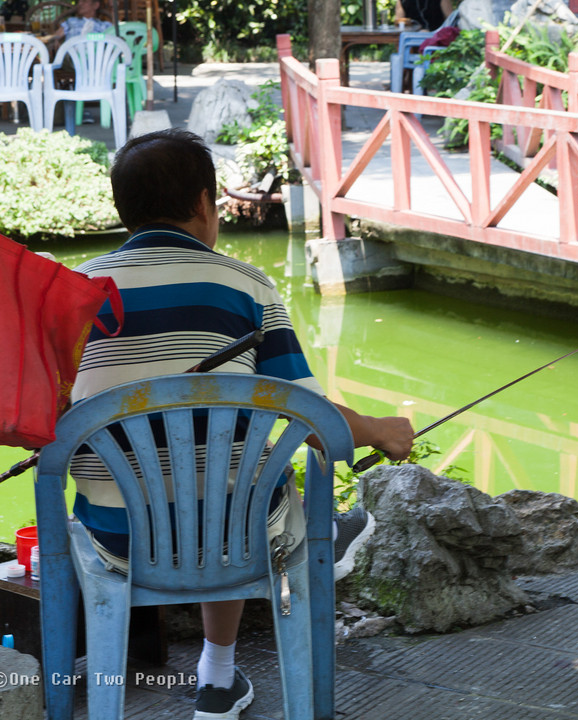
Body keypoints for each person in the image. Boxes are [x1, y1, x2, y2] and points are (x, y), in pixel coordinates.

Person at [71, 129, 414, 720]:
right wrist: (381, 429)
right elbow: (312, 420)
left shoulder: (74, 295)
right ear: (205, 205)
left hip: (116, 538)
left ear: (122, 209)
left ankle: (219, 679)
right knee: (240, 491)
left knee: (220, 487)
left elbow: (48, 420)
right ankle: (231, 658)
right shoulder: (247, 289)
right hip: (238, 538)